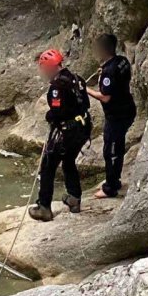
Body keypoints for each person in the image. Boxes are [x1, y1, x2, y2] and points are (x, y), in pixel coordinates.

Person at [28, 49, 91, 222]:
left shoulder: (57, 87)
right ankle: (74, 198)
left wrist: (50, 116)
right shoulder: (77, 79)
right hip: (83, 128)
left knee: (47, 167)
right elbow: (85, 103)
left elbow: (57, 112)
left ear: (47, 67)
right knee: (69, 161)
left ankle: (44, 207)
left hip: (66, 132)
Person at [88, 34, 137, 199]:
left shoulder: (109, 71)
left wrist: (85, 89)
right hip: (128, 108)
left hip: (117, 114)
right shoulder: (122, 61)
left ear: (102, 49)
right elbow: (121, 76)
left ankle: (111, 187)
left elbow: (105, 97)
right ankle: (115, 180)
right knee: (118, 145)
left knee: (111, 150)